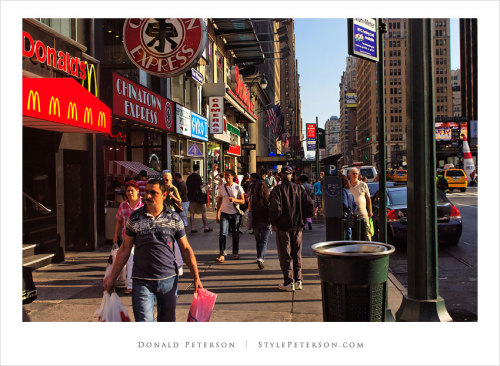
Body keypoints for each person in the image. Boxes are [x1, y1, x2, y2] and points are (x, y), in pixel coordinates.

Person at [103, 178, 203, 322]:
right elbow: (125, 248)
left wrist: (196, 277)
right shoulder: (135, 218)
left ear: (164, 195)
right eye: (147, 192)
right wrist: (112, 277)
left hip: (168, 280)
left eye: (153, 193)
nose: (148, 196)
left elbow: (186, 249)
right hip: (141, 281)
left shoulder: (174, 218)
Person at [269, 166, 314, 291]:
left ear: (280, 177)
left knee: (285, 254)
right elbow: (310, 205)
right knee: (297, 254)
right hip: (297, 227)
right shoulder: (300, 189)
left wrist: (274, 222)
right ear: (292, 176)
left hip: (283, 227)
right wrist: (305, 217)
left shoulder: (277, 190)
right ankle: (298, 279)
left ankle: (289, 281)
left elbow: (274, 208)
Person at [112, 180, 144, 295]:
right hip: (127, 239)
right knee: (129, 261)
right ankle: (129, 285)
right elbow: (119, 221)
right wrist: (115, 235)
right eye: (128, 191)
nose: (130, 193)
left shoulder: (143, 205)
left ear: (137, 191)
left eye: (132, 190)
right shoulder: (123, 205)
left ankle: (141, 284)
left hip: (141, 238)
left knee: (140, 261)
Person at [215, 170, 245, 263]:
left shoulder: (237, 187)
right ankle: (222, 254)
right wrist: (218, 213)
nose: (226, 177)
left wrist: (235, 199)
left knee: (235, 234)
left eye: (228, 175)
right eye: (225, 175)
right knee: (223, 233)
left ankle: (235, 252)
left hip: (235, 214)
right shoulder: (221, 188)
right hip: (224, 213)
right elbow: (219, 201)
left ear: (232, 176)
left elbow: (243, 201)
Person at [248, 180, 272, 269]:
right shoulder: (268, 197)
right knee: (264, 241)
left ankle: (259, 256)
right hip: (266, 222)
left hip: (256, 222)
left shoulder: (253, 198)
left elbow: (250, 210)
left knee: (258, 241)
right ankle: (261, 258)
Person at [186, 164, 212, 234]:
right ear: (198, 169)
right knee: (203, 212)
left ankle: (192, 227)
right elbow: (200, 186)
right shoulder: (198, 176)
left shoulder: (189, 177)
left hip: (191, 197)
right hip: (198, 197)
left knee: (192, 213)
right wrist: (206, 184)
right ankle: (205, 227)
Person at [348, 167, 373, 241]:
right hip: (351, 213)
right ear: (350, 175)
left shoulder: (363, 184)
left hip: (363, 212)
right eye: (353, 174)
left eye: (356, 174)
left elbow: (368, 198)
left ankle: (369, 246)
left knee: (366, 230)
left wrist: (370, 211)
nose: (355, 175)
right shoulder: (347, 185)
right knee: (352, 232)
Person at [341, 174, 357, 240]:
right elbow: (355, 204)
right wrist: (353, 212)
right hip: (350, 216)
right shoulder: (348, 191)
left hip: (344, 217)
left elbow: (345, 204)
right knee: (349, 233)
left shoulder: (342, 191)